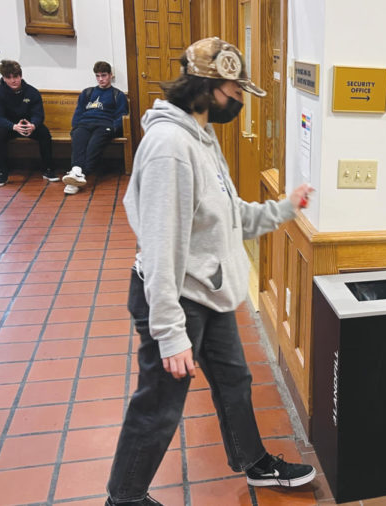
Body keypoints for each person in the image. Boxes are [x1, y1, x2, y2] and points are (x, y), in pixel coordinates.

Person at [105, 37, 315, 505]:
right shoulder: (170, 146)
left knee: (235, 381)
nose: (239, 101)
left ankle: (253, 463)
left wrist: (283, 209)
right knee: (160, 405)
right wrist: (169, 331)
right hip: (175, 296)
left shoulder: (201, 135)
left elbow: (230, 213)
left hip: (209, 291)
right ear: (207, 86)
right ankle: (124, 497)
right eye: (234, 91)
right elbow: (160, 245)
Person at [62, 61, 129, 195]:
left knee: (93, 146)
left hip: (104, 126)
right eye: (97, 76)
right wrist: (76, 126)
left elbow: (122, 116)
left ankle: (78, 175)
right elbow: (78, 112)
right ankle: (77, 172)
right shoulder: (87, 93)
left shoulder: (118, 95)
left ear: (110, 75)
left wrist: (113, 128)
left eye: (103, 75)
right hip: (85, 124)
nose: (100, 79)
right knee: (78, 142)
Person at [0, 60, 56, 187]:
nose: (13, 80)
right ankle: (3, 173)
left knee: (44, 133)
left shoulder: (32, 92)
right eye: (8, 77)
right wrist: (13, 126)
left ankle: (48, 170)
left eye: (16, 76)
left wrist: (33, 125)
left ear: (21, 76)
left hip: (28, 125)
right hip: (9, 126)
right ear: (3, 78)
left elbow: (39, 114)